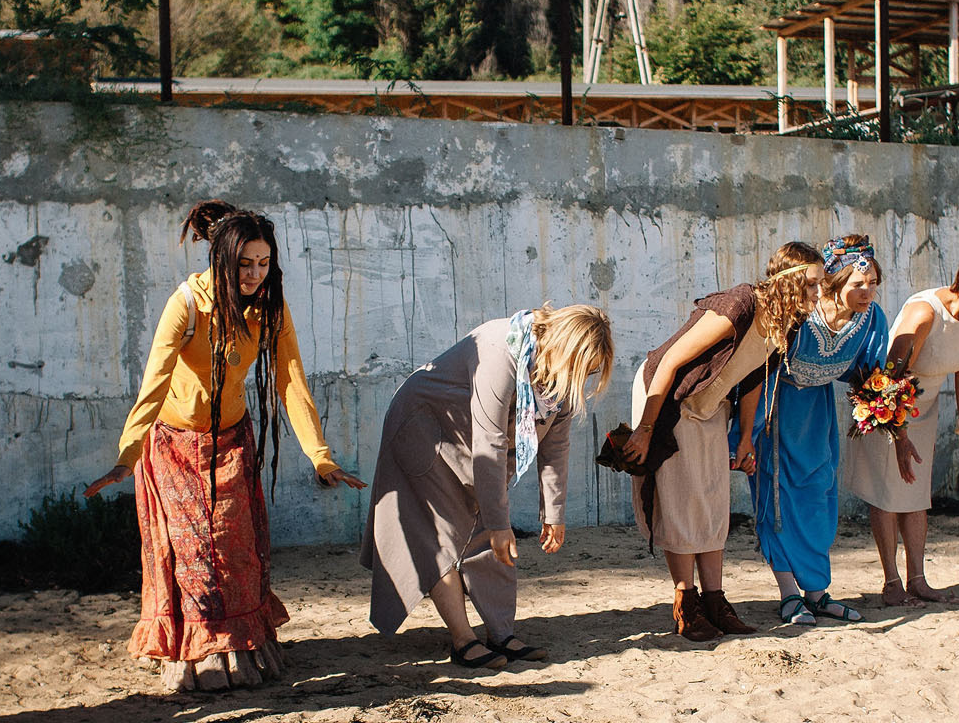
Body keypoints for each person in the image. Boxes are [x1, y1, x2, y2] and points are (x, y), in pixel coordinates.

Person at [98, 202, 364, 693]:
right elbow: (154, 381)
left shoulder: (270, 306)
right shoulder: (188, 303)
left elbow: (290, 380)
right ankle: (195, 658)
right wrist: (127, 453)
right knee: (193, 553)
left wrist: (320, 455)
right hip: (173, 448)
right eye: (246, 264)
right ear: (222, 259)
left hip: (232, 444)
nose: (255, 274)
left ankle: (241, 651)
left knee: (237, 551)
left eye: (264, 264)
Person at [361, 303, 614, 666]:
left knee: (489, 531)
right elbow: (490, 442)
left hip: (469, 438)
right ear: (565, 349)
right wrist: (498, 523)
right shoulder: (502, 350)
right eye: (582, 369)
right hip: (423, 428)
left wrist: (554, 513)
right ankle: (463, 640)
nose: (583, 380)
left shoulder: (560, 380)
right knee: (440, 536)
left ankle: (502, 634)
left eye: (591, 374)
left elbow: (555, 446)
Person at [618, 252, 822, 641]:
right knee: (682, 498)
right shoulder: (740, 304)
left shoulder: (787, 324)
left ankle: (715, 600)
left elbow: (751, 380)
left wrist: (745, 438)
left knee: (712, 497)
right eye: (811, 284)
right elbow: (669, 362)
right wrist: (645, 428)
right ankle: (686, 601)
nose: (817, 293)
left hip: (712, 403)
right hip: (667, 398)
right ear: (789, 281)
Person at [841, 255, 959, 605]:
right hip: (888, 409)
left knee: (916, 497)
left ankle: (917, 579)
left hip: (926, 407)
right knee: (888, 494)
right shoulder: (925, 314)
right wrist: (901, 438)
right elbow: (892, 379)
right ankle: (892, 583)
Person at [735, 237, 890, 624]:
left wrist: (884, 411)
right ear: (835, 282)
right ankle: (790, 594)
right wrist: (746, 435)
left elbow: (872, 375)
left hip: (817, 413)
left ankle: (818, 593)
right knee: (778, 499)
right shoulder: (800, 313)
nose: (868, 292)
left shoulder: (871, 319)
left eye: (873, 283)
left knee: (819, 494)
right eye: (859, 284)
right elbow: (756, 373)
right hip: (777, 408)